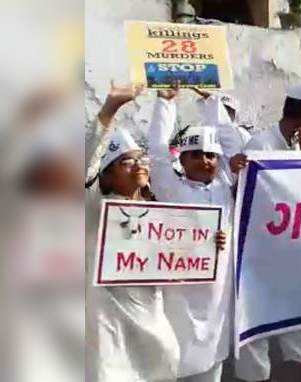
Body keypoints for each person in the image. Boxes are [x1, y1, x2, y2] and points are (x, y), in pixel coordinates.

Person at [232, 80, 301, 382]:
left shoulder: (299, 141)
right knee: (256, 314)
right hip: (259, 247)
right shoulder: (261, 144)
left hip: (289, 243)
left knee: (295, 306)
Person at [85, 82, 181, 381]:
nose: (138, 165)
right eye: (127, 162)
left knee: (165, 360)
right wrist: (109, 110)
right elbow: (84, 169)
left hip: (151, 312)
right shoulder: (96, 208)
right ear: (109, 175)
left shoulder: (156, 209)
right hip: (109, 319)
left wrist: (209, 245)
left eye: (141, 159)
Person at [147, 83, 231, 382]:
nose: (205, 160)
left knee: (213, 360)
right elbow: (157, 154)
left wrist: (211, 103)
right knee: (177, 359)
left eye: (210, 155)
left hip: (218, 296)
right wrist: (166, 104)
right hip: (180, 294)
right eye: (195, 154)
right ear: (182, 160)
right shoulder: (171, 188)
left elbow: (228, 144)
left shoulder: (225, 187)